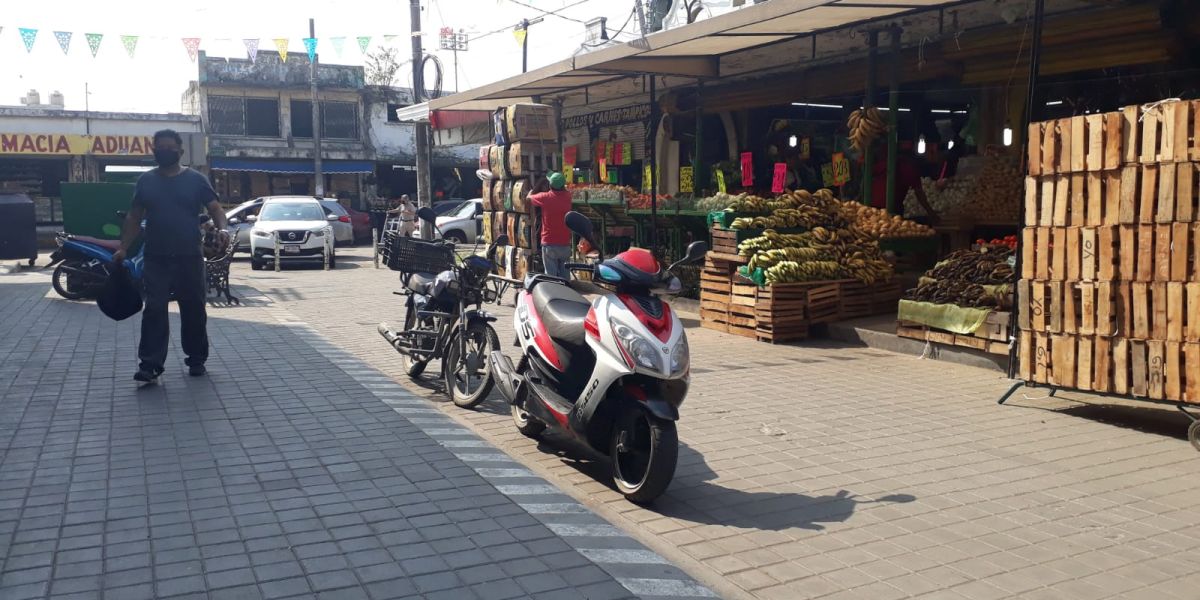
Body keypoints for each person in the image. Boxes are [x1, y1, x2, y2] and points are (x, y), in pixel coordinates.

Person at [112, 129, 226, 383]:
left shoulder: (196, 180)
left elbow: (216, 209)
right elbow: (134, 215)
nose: (164, 151)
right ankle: (150, 365)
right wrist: (123, 247)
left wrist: (223, 229)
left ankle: (196, 359)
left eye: (169, 147)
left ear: (180, 151)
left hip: (190, 256)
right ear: (153, 150)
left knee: (194, 308)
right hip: (156, 256)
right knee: (154, 309)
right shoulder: (146, 181)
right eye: (159, 147)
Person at [871, 141, 938, 222]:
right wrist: (931, 213)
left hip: (873, 207)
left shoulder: (885, 165)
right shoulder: (910, 169)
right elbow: (920, 194)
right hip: (889, 207)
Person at [528, 172, 573, 279]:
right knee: (565, 276)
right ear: (563, 185)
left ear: (550, 185)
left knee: (551, 277)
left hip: (549, 243)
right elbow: (565, 191)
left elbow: (528, 198)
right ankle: (566, 293)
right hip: (565, 243)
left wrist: (539, 183)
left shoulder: (545, 197)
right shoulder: (568, 197)